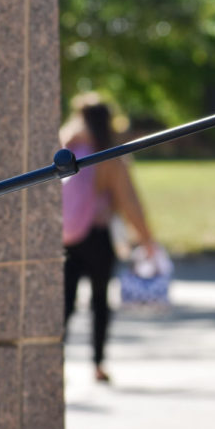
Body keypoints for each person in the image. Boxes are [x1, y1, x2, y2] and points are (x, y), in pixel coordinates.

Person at [61, 92, 156, 382]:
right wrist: (147, 239)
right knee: (99, 301)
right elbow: (129, 201)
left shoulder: (65, 146)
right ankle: (98, 363)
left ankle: (53, 359)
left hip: (65, 235)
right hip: (98, 235)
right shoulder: (108, 153)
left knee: (63, 302)